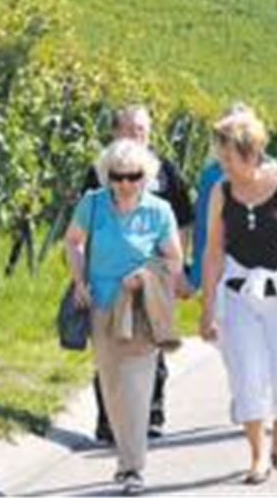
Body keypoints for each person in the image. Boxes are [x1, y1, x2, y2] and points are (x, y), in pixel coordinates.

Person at [198, 110, 277, 485]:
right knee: (245, 374)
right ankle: (257, 456)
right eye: (220, 158)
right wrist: (207, 308)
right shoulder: (222, 191)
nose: (224, 166)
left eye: (229, 158)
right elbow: (213, 251)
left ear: (251, 153)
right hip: (239, 295)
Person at [65, 139, 184, 496]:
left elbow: (174, 259)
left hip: (142, 308)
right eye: (118, 176)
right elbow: (73, 241)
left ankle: (133, 467)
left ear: (144, 176)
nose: (125, 184)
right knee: (113, 385)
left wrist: (146, 275)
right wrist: (79, 279)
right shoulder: (94, 204)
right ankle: (125, 457)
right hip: (103, 304)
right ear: (107, 176)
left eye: (133, 176)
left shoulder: (159, 210)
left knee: (138, 385)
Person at [83, 105, 193, 443]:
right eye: (130, 130)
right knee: (109, 350)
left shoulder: (165, 172)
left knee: (152, 345)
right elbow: (84, 227)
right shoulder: (99, 173)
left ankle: (151, 416)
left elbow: (185, 220)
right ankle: (109, 421)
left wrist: (177, 271)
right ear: (115, 133)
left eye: (142, 130)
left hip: (152, 278)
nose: (137, 136)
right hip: (108, 279)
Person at [189, 103, 252, 292]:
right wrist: (198, 273)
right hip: (222, 266)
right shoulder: (211, 174)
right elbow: (203, 226)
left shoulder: (271, 172)